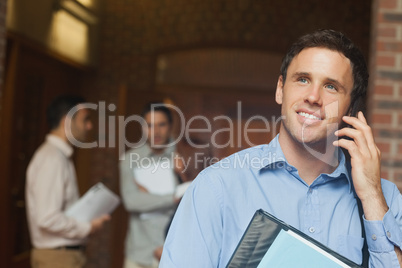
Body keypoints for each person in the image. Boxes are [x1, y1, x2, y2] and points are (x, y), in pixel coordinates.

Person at [159, 29, 402, 268]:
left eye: (331, 86)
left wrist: (371, 195)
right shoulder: (217, 188)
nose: (313, 96)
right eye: (303, 79)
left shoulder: (386, 198)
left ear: (350, 110)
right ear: (280, 89)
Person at [25, 95, 111, 268]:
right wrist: (87, 227)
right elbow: (47, 217)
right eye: (85, 119)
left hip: (62, 255)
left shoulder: (59, 156)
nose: (89, 126)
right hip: (57, 258)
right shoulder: (52, 159)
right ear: (66, 121)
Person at [119, 103, 184, 268]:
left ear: (170, 127)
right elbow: (132, 201)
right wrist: (173, 198)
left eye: (161, 125)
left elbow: (192, 201)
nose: (156, 131)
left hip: (174, 251)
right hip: (140, 252)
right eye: (150, 125)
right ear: (143, 127)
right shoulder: (130, 159)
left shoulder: (184, 156)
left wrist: (183, 175)